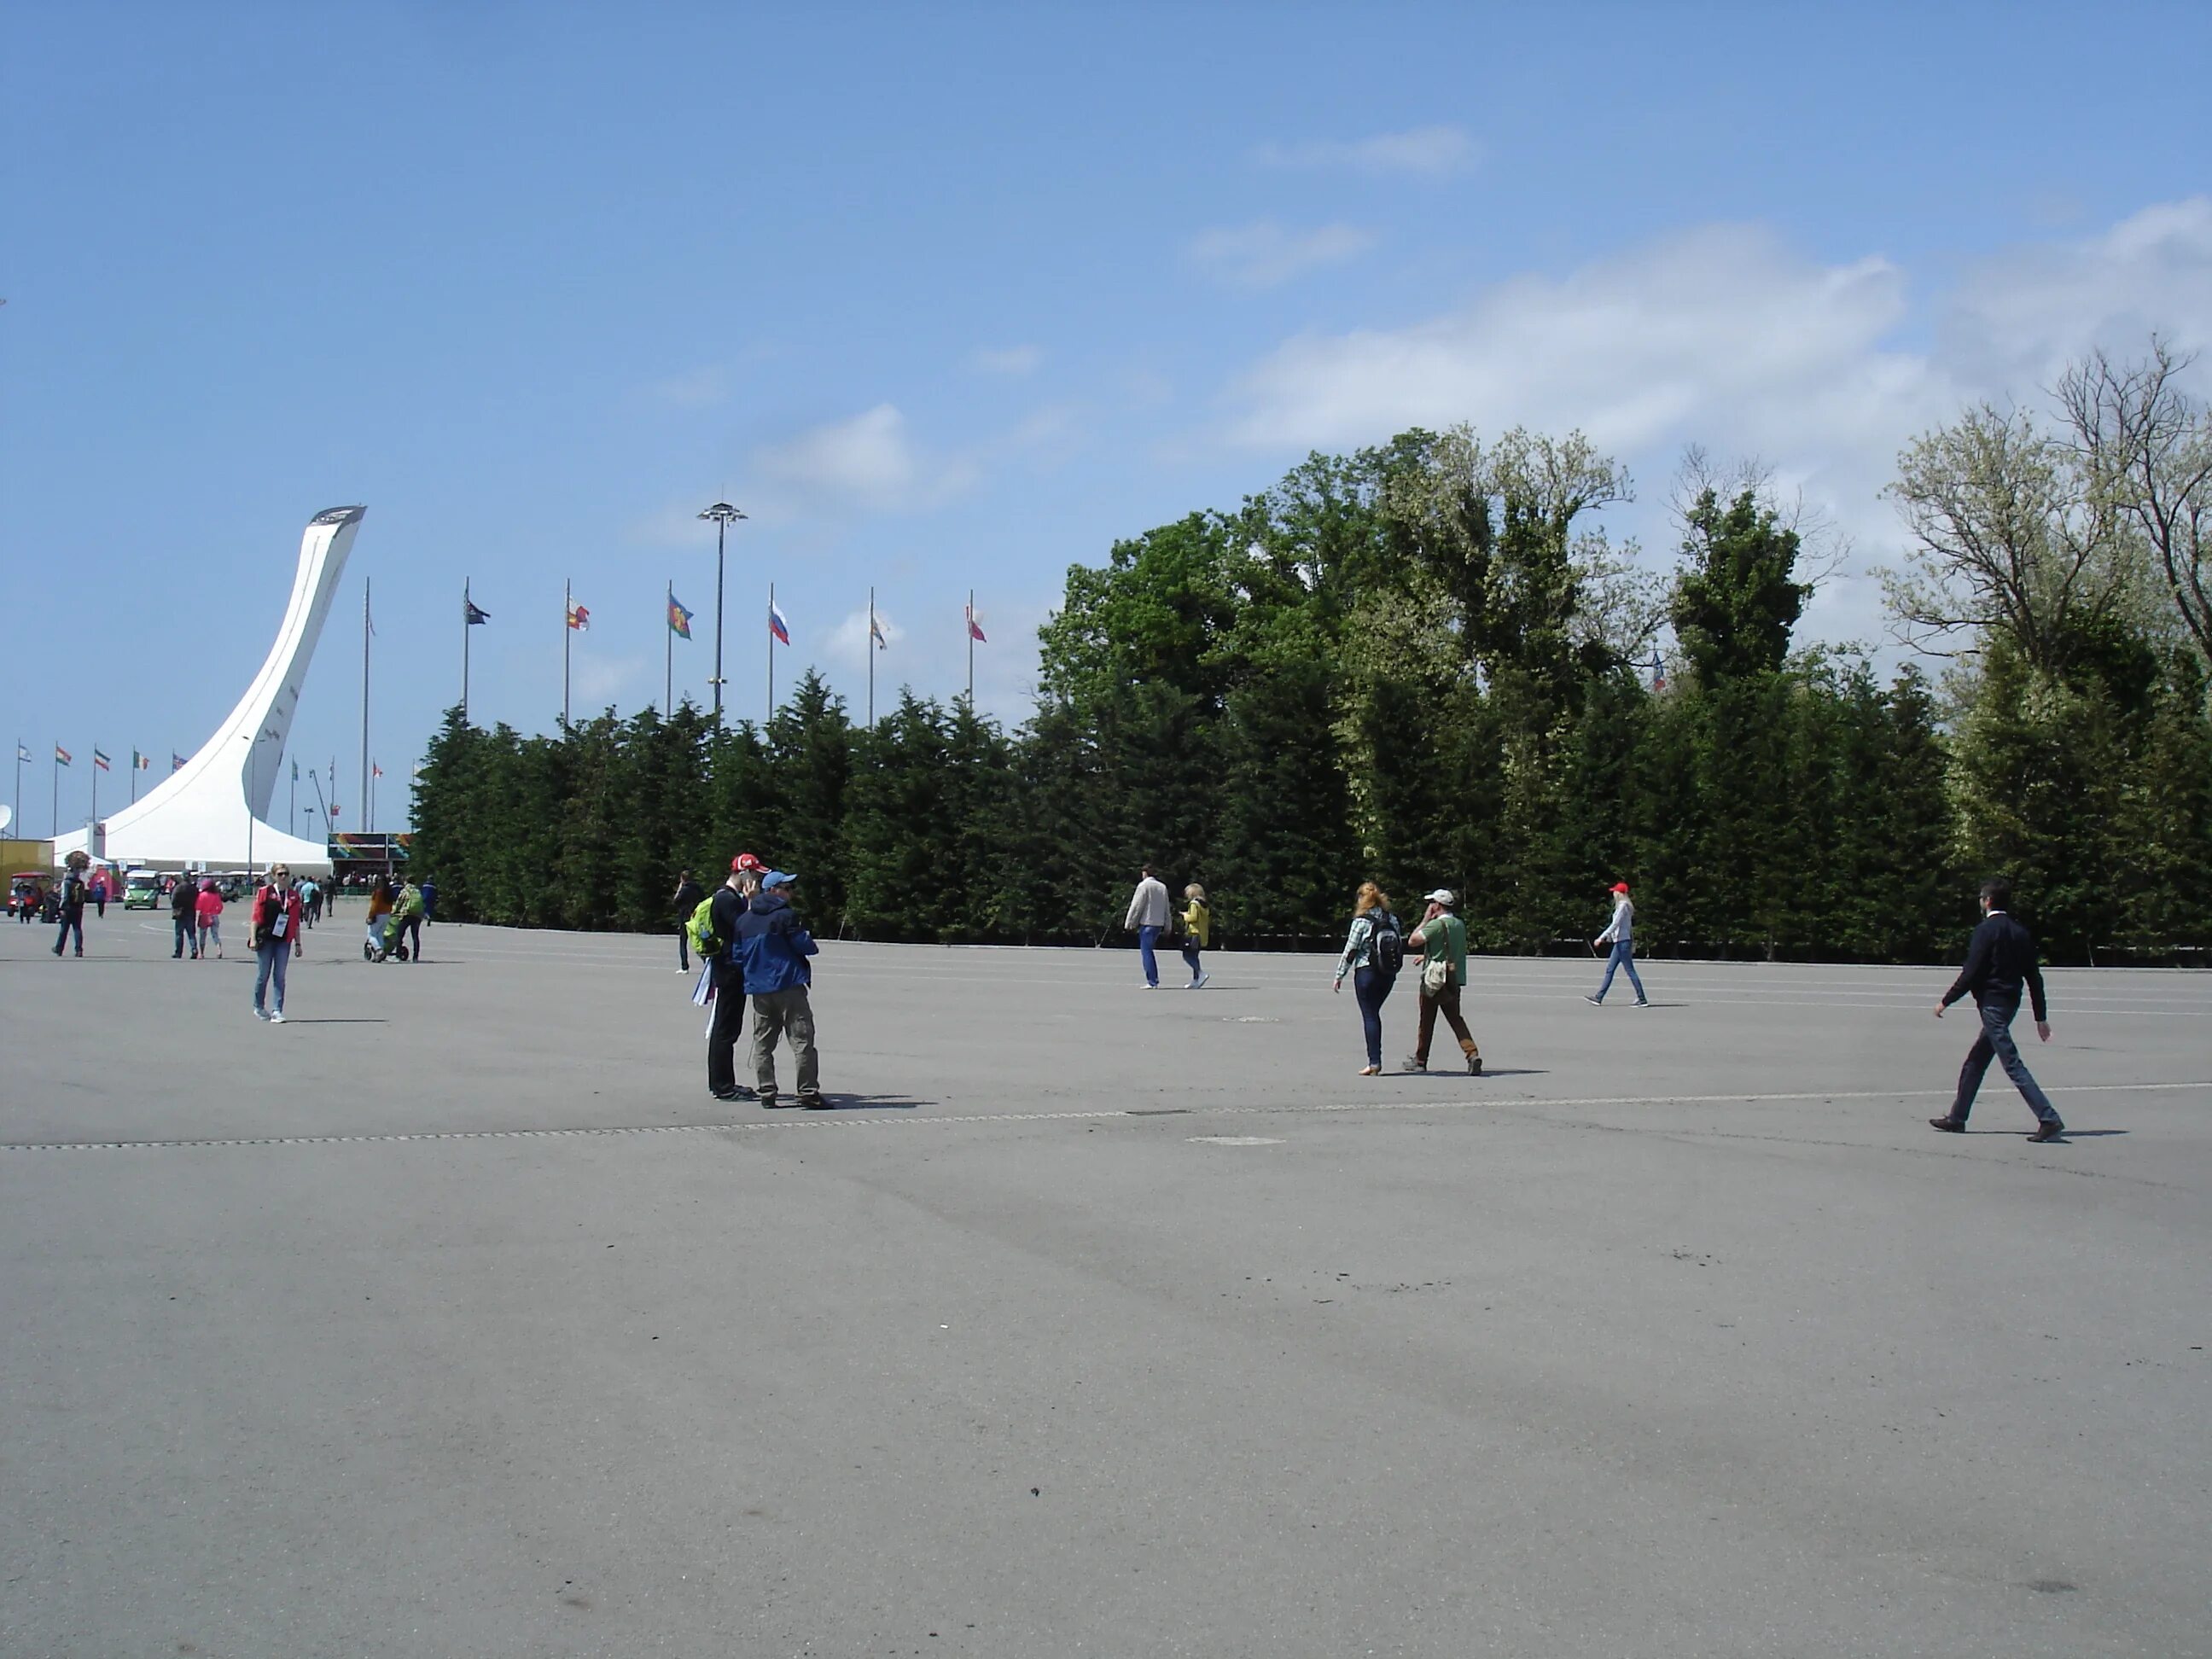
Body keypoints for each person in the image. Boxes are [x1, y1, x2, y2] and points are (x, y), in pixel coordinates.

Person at [1930, 876, 2064, 1142]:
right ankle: (1958, 1118)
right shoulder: (2020, 932)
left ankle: (2048, 1117)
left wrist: (1945, 1001)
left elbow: (1971, 972)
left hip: (1993, 1006)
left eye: (1982, 897)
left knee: (2011, 1063)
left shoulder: (1985, 931)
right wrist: (2040, 1017)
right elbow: (2034, 978)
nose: (1980, 901)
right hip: (2009, 1003)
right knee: (1976, 1061)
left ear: (1988, 901)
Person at [737, 869, 824, 1109]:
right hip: (787, 984)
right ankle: (807, 1091)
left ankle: (767, 1091)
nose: (791, 893)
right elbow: (805, 946)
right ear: (773, 891)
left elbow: (737, 956)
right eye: (787, 889)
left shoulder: (744, 920)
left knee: (763, 1042)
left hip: (759, 988)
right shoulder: (785, 916)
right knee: (802, 1039)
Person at [1405, 888, 1481, 1075]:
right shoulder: (1458, 924)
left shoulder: (1436, 925)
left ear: (1438, 905)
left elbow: (1413, 941)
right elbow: (1449, 948)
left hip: (1434, 980)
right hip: (1453, 978)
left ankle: (1421, 1060)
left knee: (1426, 1020)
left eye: (1432, 903)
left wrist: (1425, 920)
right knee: (1456, 1018)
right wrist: (1427, 957)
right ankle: (1472, 1054)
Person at [704, 858, 760, 1103]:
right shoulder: (727, 899)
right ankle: (723, 1086)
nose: (756, 879)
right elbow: (745, 927)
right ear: (744, 873)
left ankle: (723, 1082)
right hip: (728, 970)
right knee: (725, 1030)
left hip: (731, 968)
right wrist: (751, 901)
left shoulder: (730, 898)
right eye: (754, 874)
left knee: (728, 1029)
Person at [1332, 882, 1401, 1076]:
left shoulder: (1361, 921)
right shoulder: (1392, 919)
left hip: (1366, 972)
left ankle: (1374, 1062)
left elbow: (1351, 950)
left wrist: (1339, 975)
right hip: (1388, 974)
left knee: (1370, 1016)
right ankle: (1374, 1060)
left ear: (1362, 899)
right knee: (1374, 1013)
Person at [249, 864, 304, 1022]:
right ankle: (258, 1005)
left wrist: (298, 943)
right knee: (263, 974)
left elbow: (295, 922)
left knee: (279, 976)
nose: (283, 877)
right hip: (266, 938)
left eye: (286, 874)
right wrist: (253, 938)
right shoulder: (265, 892)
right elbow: (256, 917)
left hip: (283, 940)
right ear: (274, 876)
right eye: (280, 874)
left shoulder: (293, 895)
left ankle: (277, 1010)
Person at [1585, 881, 1649, 1007]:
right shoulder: (1624, 906)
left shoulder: (1623, 906)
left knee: (1629, 970)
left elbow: (1615, 924)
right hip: (1620, 942)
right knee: (1611, 969)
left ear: (1619, 893)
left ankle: (1642, 998)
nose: (1613, 893)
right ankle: (1599, 997)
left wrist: (1601, 938)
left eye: (1615, 891)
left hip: (1622, 943)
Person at [1123, 864, 1172, 988]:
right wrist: (1168, 925)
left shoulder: (1143, 886)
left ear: (1145, 873)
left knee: (1146, 952)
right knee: (1149, 950)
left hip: (1147, 922)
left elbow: (1137, 905)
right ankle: (1153, 980)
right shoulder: (1162, 887)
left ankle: (1152, 981)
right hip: (1158, 923)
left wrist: (1130, 922)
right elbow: (1166, 908)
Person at [51, 856, 90, 958]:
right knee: (77, 929)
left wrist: (61, 908)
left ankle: (59, 948)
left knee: (64, 929)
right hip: (78, 908)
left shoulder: (67, 882)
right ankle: (79, 950)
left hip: (68, 908)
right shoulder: (80, 883)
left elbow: (65, 896)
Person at [672, 868, 705, 973]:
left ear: (682, 879)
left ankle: (684, 966)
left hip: (685, 918)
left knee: (683, 942)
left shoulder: (684, 890)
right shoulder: (698, 889)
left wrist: (679, 889)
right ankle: (707, 962)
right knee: (700, 941)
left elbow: (676, 901)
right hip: (696, 916)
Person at [1179, 883, 1211, 990]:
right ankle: (1196, 980)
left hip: (1194, 933)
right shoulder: (1204, 904)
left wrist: (1185, 915)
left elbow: (1193, 917)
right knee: (1195, 956)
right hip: (1202, 934)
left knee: (1187, 955)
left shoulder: (1194, 904)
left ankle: (1200, 973)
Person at [391, 876, 424, 962]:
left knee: (400, 935)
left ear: (406, 881)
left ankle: (398, 956)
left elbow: (399, 902)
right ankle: (415, 957)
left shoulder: (405, 890)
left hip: (406, 914)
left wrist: (394, 911)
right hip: (417, 915)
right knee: (415, 936)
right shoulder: (417, 891)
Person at [364, 876, 394, 961]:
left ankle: (378, 950)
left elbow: (374, 906)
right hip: (387, 914)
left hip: (378, 914)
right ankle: (380, 954)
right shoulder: (389, 892)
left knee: (371, 935)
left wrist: (370, 916)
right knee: (380, 934)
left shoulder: (378, 892)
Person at [171, 871, 200, 958]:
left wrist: (176, 907)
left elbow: (173, 899)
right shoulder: (194, 888)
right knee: (191, 933)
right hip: (191, 912)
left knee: (179, 934)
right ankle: (194, 949)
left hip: (180, 913)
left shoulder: (178, 888)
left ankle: (178, 952)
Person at [195, 877, 225, 959]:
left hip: (204, 916)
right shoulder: (216, 895)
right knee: (215, 934)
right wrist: (216, 912)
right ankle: (219, 950)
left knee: (202, 935)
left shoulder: (202, 895)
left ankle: (201, 953)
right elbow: (220, 907)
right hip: (214, 916)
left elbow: (198, 907)